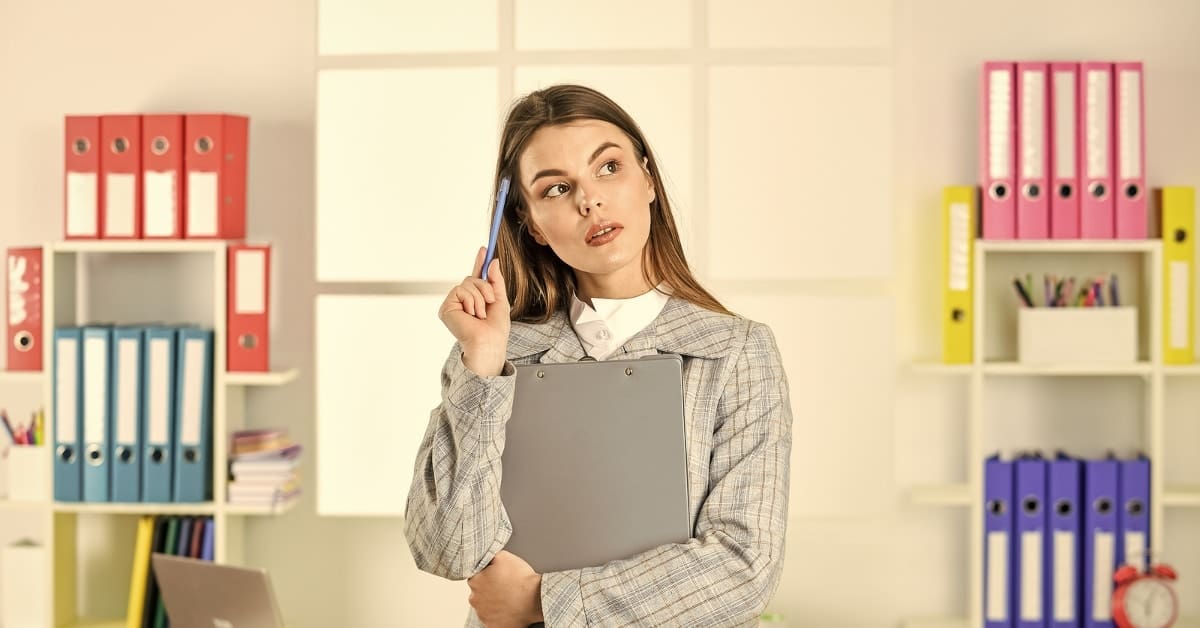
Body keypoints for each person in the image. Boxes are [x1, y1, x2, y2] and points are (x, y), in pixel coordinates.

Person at [404, 84, 793, 627]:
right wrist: (484, 365)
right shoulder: (491, 353)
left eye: (608, 168)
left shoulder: (736, 353)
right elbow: (446, 548)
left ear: (648, 179)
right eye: (557, 188)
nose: (590, 200)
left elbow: (743, 567)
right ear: (531, 223)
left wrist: (546, 601)